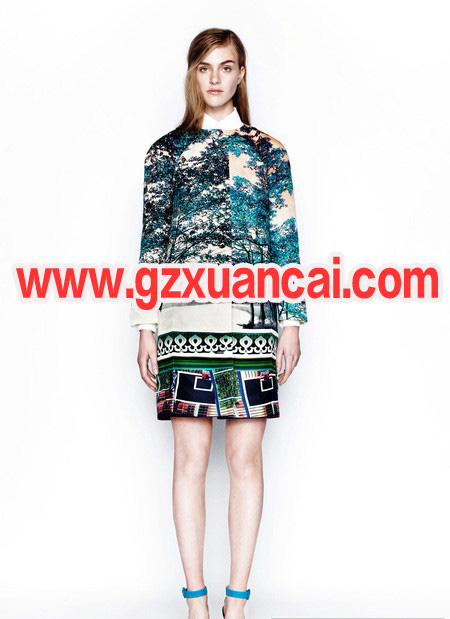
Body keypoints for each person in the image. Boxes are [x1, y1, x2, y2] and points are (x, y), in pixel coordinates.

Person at [130, 27, 307, 619]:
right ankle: (195, 602)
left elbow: (285, 240)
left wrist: (292, 322)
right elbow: (153, 245)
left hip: (254, 321)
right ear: (193, 73)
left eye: (226, 67)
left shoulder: (269, 152)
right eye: (205, 67)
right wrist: (145, 326)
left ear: (240, 75)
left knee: (246, 460)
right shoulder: (165, 153)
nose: (215, 78)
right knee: (189, 459)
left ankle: (237, 601)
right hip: (182, 321)